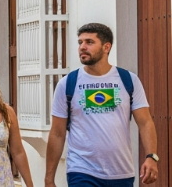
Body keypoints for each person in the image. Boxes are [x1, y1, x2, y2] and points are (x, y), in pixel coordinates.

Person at [45, 23, 159, 187]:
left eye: (89, 42)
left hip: (121, 172)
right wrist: (49, 179)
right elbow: (57, 133)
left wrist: (151, 157)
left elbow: (145, 122)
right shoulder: (67, 84)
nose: (82, 47)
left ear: (106, 47)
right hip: (82, 171)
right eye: (80, 42)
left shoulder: (128, 80)